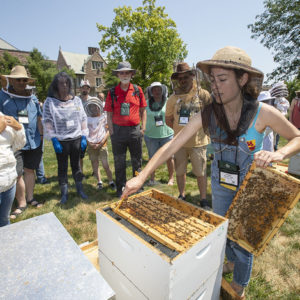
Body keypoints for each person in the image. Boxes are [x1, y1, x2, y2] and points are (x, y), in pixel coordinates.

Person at [122, 46, 300, 298]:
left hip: (253, 184)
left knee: (243, 237)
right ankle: (231, 261)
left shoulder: (263, 113)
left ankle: (239, 283)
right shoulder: (207, 114)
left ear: (243, 79)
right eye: (213, 79)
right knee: (223, 228)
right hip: (221, 182)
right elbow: (174, 143)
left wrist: (279, 154)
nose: (215, 85)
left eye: (223, 79)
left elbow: (296, 137)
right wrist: (141, 176)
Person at [0, 65, 44, 218]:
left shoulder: (32, 98)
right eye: (18, 80)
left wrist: (42, 136)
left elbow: (39, 118)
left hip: (34, 141)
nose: (21, 82)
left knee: (30, 170)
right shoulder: (2, 97)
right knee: (18, 173)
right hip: (14, 143)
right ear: (11, 80)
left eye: (24, 80)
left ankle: (30, 198)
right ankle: (21, 203)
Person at [165, 62, 211, 208]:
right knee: (180, 171)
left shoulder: (203, 94)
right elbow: (168, 119)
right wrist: (180, 131)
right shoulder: (173, 98)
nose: (183, 80)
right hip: (179, 143)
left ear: (192, 76)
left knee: (200, 172)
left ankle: (203, 199)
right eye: (180, 78)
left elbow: (211, 114)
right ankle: (182, 195)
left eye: (186, 76)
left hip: (199, 142)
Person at [43, 72, 89, 204]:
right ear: (55, 85)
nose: (64, 86)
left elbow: (83, 118)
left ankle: (80, 190)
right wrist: (53, 139)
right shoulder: (50, 102)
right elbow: (47, 120)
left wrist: (84, 136)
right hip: (61, 141)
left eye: (66, 83)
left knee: (76, 166)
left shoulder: (76, 100)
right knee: (62, 167)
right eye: (61, 83)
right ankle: (64, 193)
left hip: (76, 139)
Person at [104, 61, 147, 198]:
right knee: (119, 162)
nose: (124, 75)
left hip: (135, 131)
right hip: (118, 132)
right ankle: (121, 187)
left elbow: (143, 111)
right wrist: (111, 132)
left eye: (127, 72)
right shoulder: (112, 92)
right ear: (118, 75)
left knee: (137, 161)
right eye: (121, 72)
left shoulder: (137, 90)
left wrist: (143, 128)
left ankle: (138, 186)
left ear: (131, 74)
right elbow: (109, 114)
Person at [144, 82, 174, 186]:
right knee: (152, 158)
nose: (157, 91)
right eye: (154, 89)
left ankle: (171, 178)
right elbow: (141, 116)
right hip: (151, 135)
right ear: (151, 91)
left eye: (159, 89)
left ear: (162, 90)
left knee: (169, 157)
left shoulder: (168, 102)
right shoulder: (146, 103)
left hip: (167, 135)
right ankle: (152, 179)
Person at [84, 97, 116, 190]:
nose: (94, 108)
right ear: (89, 108)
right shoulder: (87, 119)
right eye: (92, 107)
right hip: (91, 145)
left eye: (95, 106)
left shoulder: (104, 117)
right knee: (95, 164)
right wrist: (89, 143)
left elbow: (108, 130)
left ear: (99, 106)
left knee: (105, 165)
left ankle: (111, 181)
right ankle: (99, 182)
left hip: (102, 144)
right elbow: (84, 132)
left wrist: (102, 142)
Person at [0, 113, 26, 226]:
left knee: (5, 219)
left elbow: (18, 145)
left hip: (9, 181)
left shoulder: (3, 117)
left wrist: (18, 128)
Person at [269, 81, 290, 151]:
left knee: (278, 133)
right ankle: (272, 146)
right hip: (273, 119)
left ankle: (275, 145)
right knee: (272, 134)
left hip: (281, 118)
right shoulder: (272, 99)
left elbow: (286, 108)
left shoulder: (283, 100)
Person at [79, 79, 93, 176]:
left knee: (93, 152)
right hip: (79, 130)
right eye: (83, 88)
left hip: (92, 129)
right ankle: (80, 172)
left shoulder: (93, 100)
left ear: (89, 89)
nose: (85, 90)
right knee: (80, 154)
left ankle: (94, 170)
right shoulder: (76, 100)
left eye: (87, 88)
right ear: (80, 89)